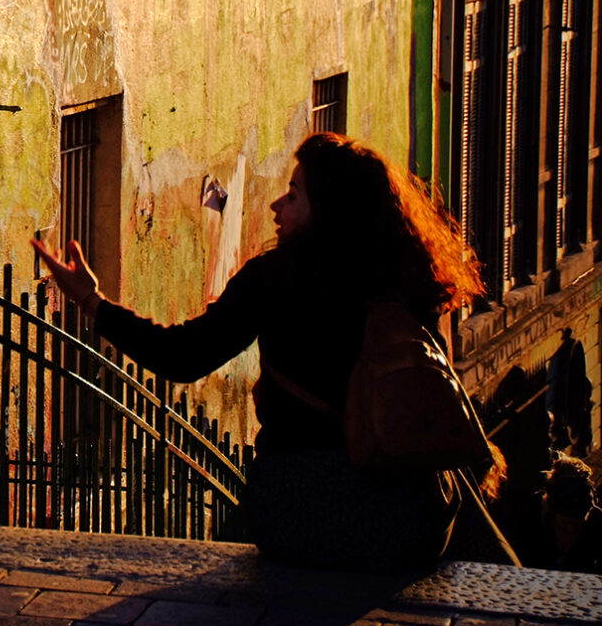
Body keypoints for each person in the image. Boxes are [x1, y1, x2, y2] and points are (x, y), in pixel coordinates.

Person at [33, 132, 514, 570]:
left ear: (327, 207)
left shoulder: (276, 279)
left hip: (302, 512)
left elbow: (182, 356)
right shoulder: (407, 282)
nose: (276, 206)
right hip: (411, 519)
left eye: (294, 193)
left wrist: (92, 302)